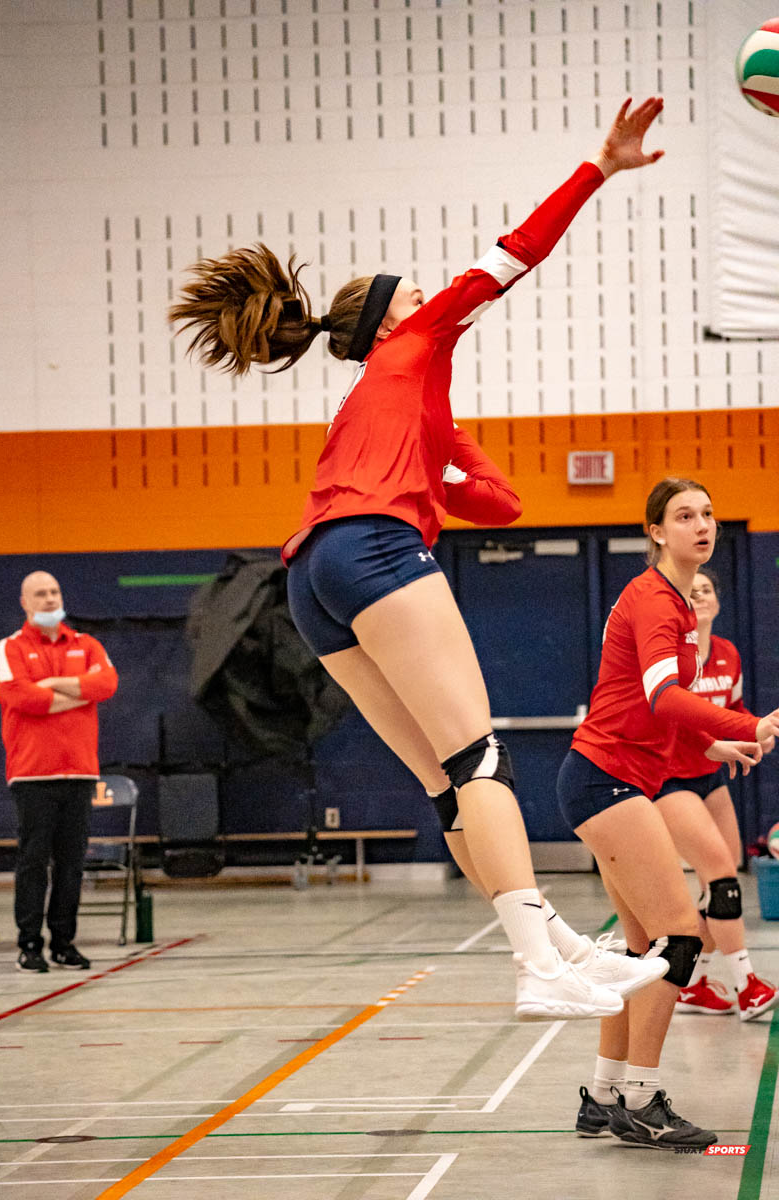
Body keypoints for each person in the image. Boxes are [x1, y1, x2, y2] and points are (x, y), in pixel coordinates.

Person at [170, 98, 672, 1022]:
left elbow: (501, 503)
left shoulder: (386, 400)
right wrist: (597, 168)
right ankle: (537, 966)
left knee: (446, 781)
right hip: (373, 552)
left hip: (313, 578)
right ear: (388, 318)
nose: (429, 294)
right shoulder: (414, 341)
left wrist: (449, 454)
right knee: (479, 755)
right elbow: (516, 254)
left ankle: (557, 947)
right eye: (412, 292)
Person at [560, 478, 779, 1148]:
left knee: (636, 950)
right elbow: (661, 695)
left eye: (709, 514)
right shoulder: (656, 600)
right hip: (607, 781)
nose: (702, 525)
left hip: (611, 778)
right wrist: (743, 720)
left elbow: (645, 704)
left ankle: (601, 1094)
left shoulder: (675, 604)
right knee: (678, 939)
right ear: (656, 531)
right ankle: (641, 1098)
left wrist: (716, 741)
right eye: (684, 516)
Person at [656, 566, 778, 1020]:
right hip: (670, 777)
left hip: (711, 777)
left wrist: (755, 734)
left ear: (717, 601)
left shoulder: (728, 653)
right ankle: (747, 986)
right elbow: (669, 715)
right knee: (722, 877)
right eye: (692, 590)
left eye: (707, 589)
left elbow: (737, 710)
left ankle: (693, 984)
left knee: (718, 885)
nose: (700, 595)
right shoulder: (671, 656)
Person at [0, 571, 119, 972]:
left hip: (79, 771)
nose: (49, 599)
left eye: (54, 592)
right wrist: (76, 695)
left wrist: (52, 685)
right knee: (33, 860)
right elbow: (21, 696)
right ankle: (29, 944)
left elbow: (107, 684)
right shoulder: (9, 648)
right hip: (33, 773)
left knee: (71, 863)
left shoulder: (87, 644)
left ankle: (64, 942)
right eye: (40, 594)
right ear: (24, 602)